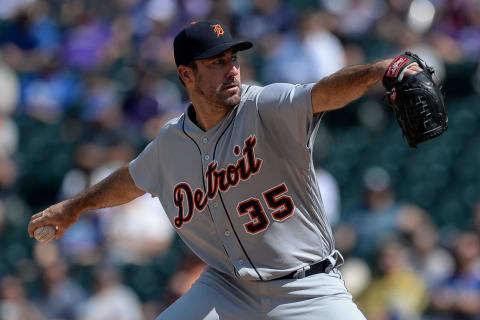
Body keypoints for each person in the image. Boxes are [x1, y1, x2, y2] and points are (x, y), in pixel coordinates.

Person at [28, 20, 421, 319]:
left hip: (308, 286)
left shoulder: (265, 106)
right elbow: (130, 179)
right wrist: (74, 207)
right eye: (217, 62)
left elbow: (323, 92)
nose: (232, 69)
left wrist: (378, 70)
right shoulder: (170, 143)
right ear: (187, 74)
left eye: (233, 59)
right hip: (228, 288)